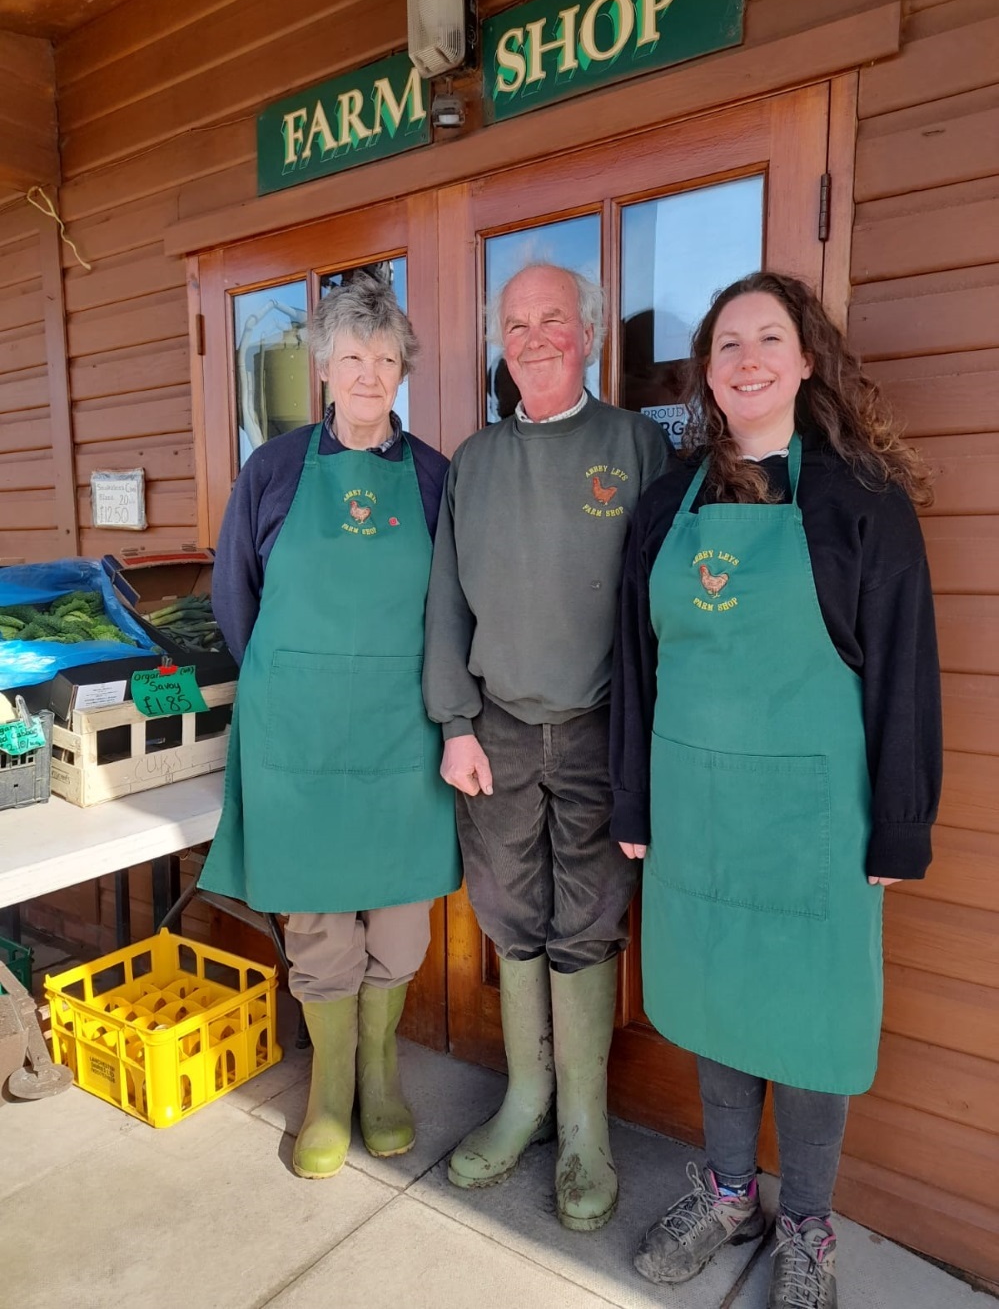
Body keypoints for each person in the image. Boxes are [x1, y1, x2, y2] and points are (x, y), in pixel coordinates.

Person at [611, 271, 941, 1306]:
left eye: (769, 339)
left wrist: (899, 828)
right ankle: (725, 1193)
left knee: (808, 1020)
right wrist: (632, 804)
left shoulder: (861, 501)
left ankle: (806, 1225)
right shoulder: (668, 503)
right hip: (695, 812)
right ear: (708, 375)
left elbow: (904, 671)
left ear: (806, 360)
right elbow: (633, 664)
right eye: (727, 346)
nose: (747, 359)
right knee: (716, 1004)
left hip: (816, 823)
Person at [423, 262, 670, 1230]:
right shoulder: (473, 463)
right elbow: (444, 602)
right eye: (515, 324)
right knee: (509, 911)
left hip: (603, 730)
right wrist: (453, 724)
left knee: (592, 917)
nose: (532, 339)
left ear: (591, 332)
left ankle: (585, 1129)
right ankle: (526, 1100)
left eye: (552, 320)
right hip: (500, 734)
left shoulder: (637, 446)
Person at [202, 274, 460, 1179]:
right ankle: (329, 1086)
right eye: (352, 356)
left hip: (401, 732)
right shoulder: (271, 471)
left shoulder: (432, 475)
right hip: (298, 734)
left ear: (401, 373)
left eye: (385, 359)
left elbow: (451, 609)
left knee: (397, 921)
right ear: (322, 369)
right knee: (315, 922)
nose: (368, 373)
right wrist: (293, 680)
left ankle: (380, 1073)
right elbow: (235, 598)